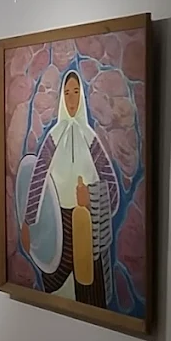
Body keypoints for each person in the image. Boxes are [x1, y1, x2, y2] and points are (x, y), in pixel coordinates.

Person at [19, 71, 119, 306]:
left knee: (90, 300)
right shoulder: (53, 138)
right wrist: (27, 223)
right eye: (67, 93)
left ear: (81, 96)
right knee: (58, 299)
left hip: (87, 230)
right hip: (57, 230)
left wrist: (91, 198)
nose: (71, 99)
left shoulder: (91, 140)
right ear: (62, 98)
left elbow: (113, 191)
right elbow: (37, 181)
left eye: (76, 92)